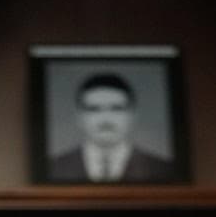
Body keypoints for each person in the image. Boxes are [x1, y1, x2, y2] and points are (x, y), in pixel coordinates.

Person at [48, 72, 177, 182]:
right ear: (79, 116)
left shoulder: (163, 169)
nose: (106, 119)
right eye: (94, 109)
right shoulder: (53, 167)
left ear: (133, 114)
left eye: (116, 108)